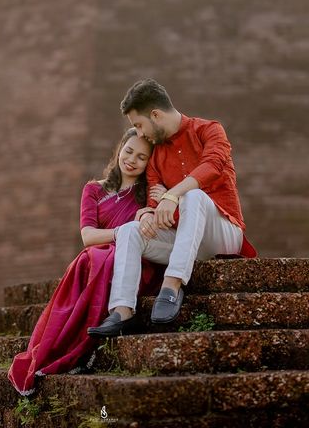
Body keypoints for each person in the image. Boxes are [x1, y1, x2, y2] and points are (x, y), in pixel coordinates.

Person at [88, 79, 257, 338]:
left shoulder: (209, 130)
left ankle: (172, 284)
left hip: (223, 233)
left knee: (194, 197)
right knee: (131, 230)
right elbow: (155, 203)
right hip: (184, 242)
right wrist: (146, 214)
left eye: (139, 125)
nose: (140, 133)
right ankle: (122, 311)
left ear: (155, 115)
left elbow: (213, 165)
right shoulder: (156, 156)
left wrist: (173, 194)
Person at [8, 128, 165, 395]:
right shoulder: (94, 190)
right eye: (129, 151)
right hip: (102, 253)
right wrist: (122, 232)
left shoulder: (148, 193)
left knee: (97, 258)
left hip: (135, 262)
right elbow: (88, 235)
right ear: (119, 149)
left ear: (149, 163)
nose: (132, 160)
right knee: (91, 257)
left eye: (141, 157)